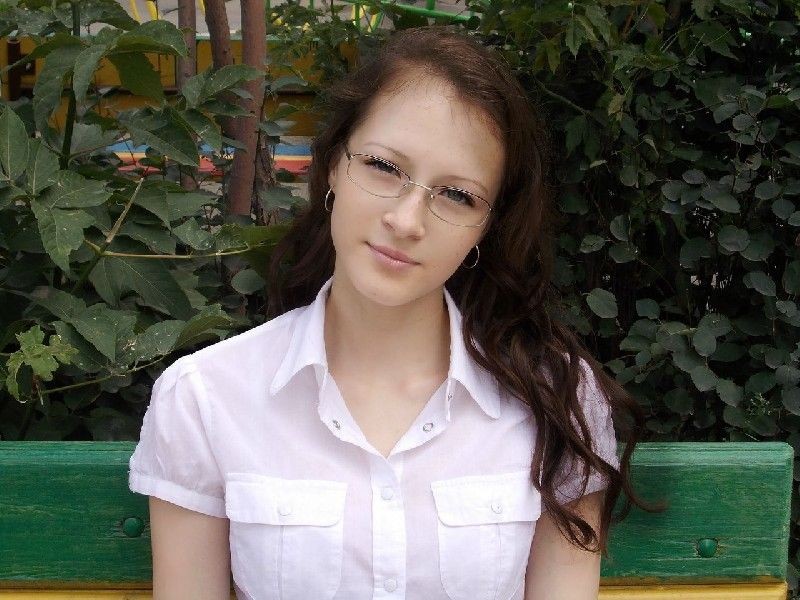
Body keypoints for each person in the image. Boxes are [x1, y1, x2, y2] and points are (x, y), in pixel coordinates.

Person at [129, 24, 657, 600]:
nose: (407, 221)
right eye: (383, 166)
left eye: (458, 195)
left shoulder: (558, 399)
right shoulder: (206, 398)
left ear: (487, 226)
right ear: (334, 164)